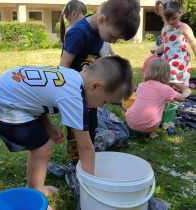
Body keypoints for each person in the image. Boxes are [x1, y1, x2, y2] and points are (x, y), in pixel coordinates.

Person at [0, 56, 134, 209]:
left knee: (43, 145)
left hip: (4, 93)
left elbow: (35, 96)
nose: (101, 107)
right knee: (43, 148)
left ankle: (35, 189)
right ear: (95, 86)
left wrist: (47, 125)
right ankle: (34, 196)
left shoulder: (70, 75)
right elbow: (86, 148)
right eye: (105, 102)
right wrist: (93, 187)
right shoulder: (74, 98)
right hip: (2, 104)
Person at [59, 0, 140, 163]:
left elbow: (96, 55)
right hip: (76, 92)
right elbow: (64, 64)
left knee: (92, 123)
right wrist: (70, 95)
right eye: (113, 36)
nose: (113, 41)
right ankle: (76, 159)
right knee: (76, 128)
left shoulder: (99, 29)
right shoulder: (79, 33)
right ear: (102, 20)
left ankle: (88, 150)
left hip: (91, 91)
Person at [126, 58, 185, 139]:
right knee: (156, 114)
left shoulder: (141, 85)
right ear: (167, 75)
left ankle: (136, 130)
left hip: (130, 121)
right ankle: (152, 134)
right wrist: (186, 91)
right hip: (149, 126)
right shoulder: (166, 89)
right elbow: (181, 98)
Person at [155, 0, 196, 98]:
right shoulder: (164, 30)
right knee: (163, 76)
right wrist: (156, 51)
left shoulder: (183, 27)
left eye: (174, 18)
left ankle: (184, 89)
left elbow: (192, 41)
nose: (171, 22)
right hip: (167, 57)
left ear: (180, 13)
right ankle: (172, 96)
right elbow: (165, 44)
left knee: (171, 72)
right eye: (167, 19)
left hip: (180, 57)